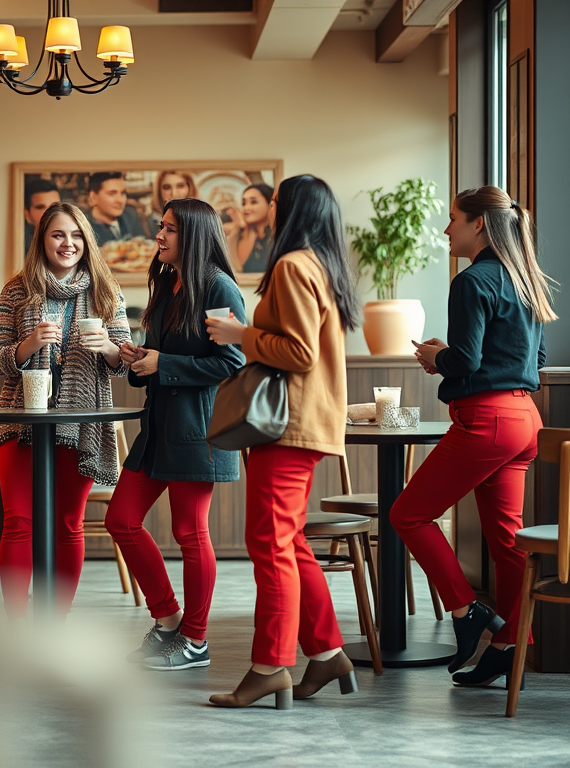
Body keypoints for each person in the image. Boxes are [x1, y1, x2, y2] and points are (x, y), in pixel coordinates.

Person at [205, 175, 361, 708]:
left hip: (288, 427)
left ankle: (270, 666)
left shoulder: (293, 266)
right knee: (289, 542)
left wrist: (237, 335)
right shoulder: (320, 265)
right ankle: (325, 653)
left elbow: (296, 353)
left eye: (274, 201)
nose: (269, 208)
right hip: (304, 425)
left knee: (269, 545)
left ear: (290, 208)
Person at [393, 185, 553, 688]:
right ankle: (512, 645)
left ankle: (466, 612)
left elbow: (464, 361)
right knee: (508, 541)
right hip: (525, 419)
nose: (446, 229)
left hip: (486, 421)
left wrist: (435, 357)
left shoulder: (472, 281)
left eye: (453, 218)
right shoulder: (523, 278)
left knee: (407, 514)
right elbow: (538, 361)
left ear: (479, 224)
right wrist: (455, 355)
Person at [106, 198, 245, 670]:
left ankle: (197, 641)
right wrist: (140, 359)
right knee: (121, 519)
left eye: (168, 229)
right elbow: (163, 358)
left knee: (190, 533)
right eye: (160, 227)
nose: (158, 236)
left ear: (194, 235)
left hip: (198, 430)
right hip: (159, 426)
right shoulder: (167, 284)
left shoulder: (218, 286)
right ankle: (168, 619)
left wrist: (163, 363)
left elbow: (232, 361)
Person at [0, 202, 131, 618]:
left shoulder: (105, 289)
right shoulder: (17, 289)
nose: (68, 244)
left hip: (81, 422)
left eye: (76, 236)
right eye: (58, 235)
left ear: (87, 240)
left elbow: (125, 360)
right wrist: (28, 345)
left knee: (68, 523)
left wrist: (111, 351)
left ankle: (55, 625)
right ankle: (16, 624)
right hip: (19, 419)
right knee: (18, 522)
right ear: (42, 240)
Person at [85, 172, 146, 246]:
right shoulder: (84, 226)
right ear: (93, 197)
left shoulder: (131, 216)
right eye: (112, 194)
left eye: (123, 193)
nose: (120, 200)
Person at [227, 183, 274, 274]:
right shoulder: (235, 236)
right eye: (244, 203)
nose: (246, 208)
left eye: (253, 202)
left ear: (270, 204)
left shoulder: (278, 238)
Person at [146, 171, 198, 238]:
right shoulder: (150, 222)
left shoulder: (202, 219)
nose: (174, 194)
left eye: (180, 186)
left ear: (190, 188)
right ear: (159, 192)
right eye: (167, 187)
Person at [23, 177, 61, 255]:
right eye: (40, 207)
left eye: (54, 206)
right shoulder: (21, 249)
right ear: (27, 214)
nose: (49, 212)